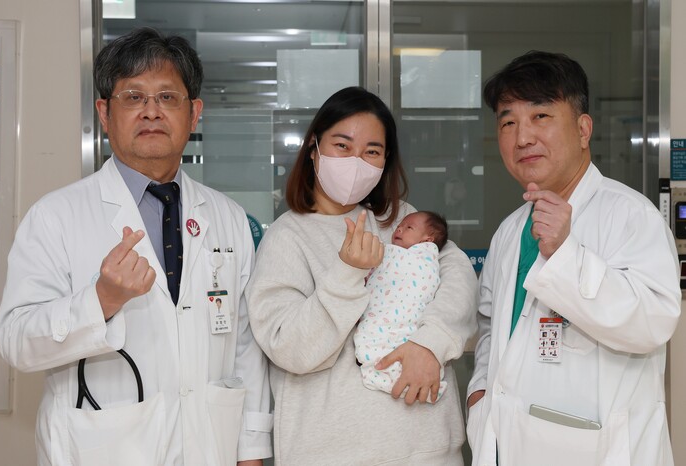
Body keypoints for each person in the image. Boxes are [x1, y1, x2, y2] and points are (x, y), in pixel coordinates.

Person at [0, 27, 272, 466]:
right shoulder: (56, 215)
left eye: (168, 97)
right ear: (105, 113)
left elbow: (245, 346)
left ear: (194, 113)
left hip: (209, 449)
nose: (151, 111)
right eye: (133, 97)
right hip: (101, 451)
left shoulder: (228, 218)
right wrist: (100, 301)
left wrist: (251, 451)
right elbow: (14, 341)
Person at [465, 50, 681, 466]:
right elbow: (491, 324)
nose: (522, 137)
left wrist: (567, 255)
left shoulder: (630, 216)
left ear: (583, 130)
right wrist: (480, 393)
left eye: (540, 116)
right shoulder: (510, 230)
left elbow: (654, 322)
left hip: (599, 451)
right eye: (508, 122)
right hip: (506, 444)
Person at [246, 86, 478, 465]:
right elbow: (290, 348)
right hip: (332, 455)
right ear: (313, 147)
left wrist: (430, 343)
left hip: (427, 449)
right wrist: (347, 274)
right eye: (342, 145)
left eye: (372, 151)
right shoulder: (286, 237)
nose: (356, 162)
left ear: (386, 160)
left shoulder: (404, 221)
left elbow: (460, 280)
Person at [354, 210, 449, 401]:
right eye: (399, 226)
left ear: (427, 240)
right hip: (385, 310)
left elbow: (426, 289)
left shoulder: (425, 262)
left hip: (406, 318)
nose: (399, 229)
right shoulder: (388, 253)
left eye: (409, 227)